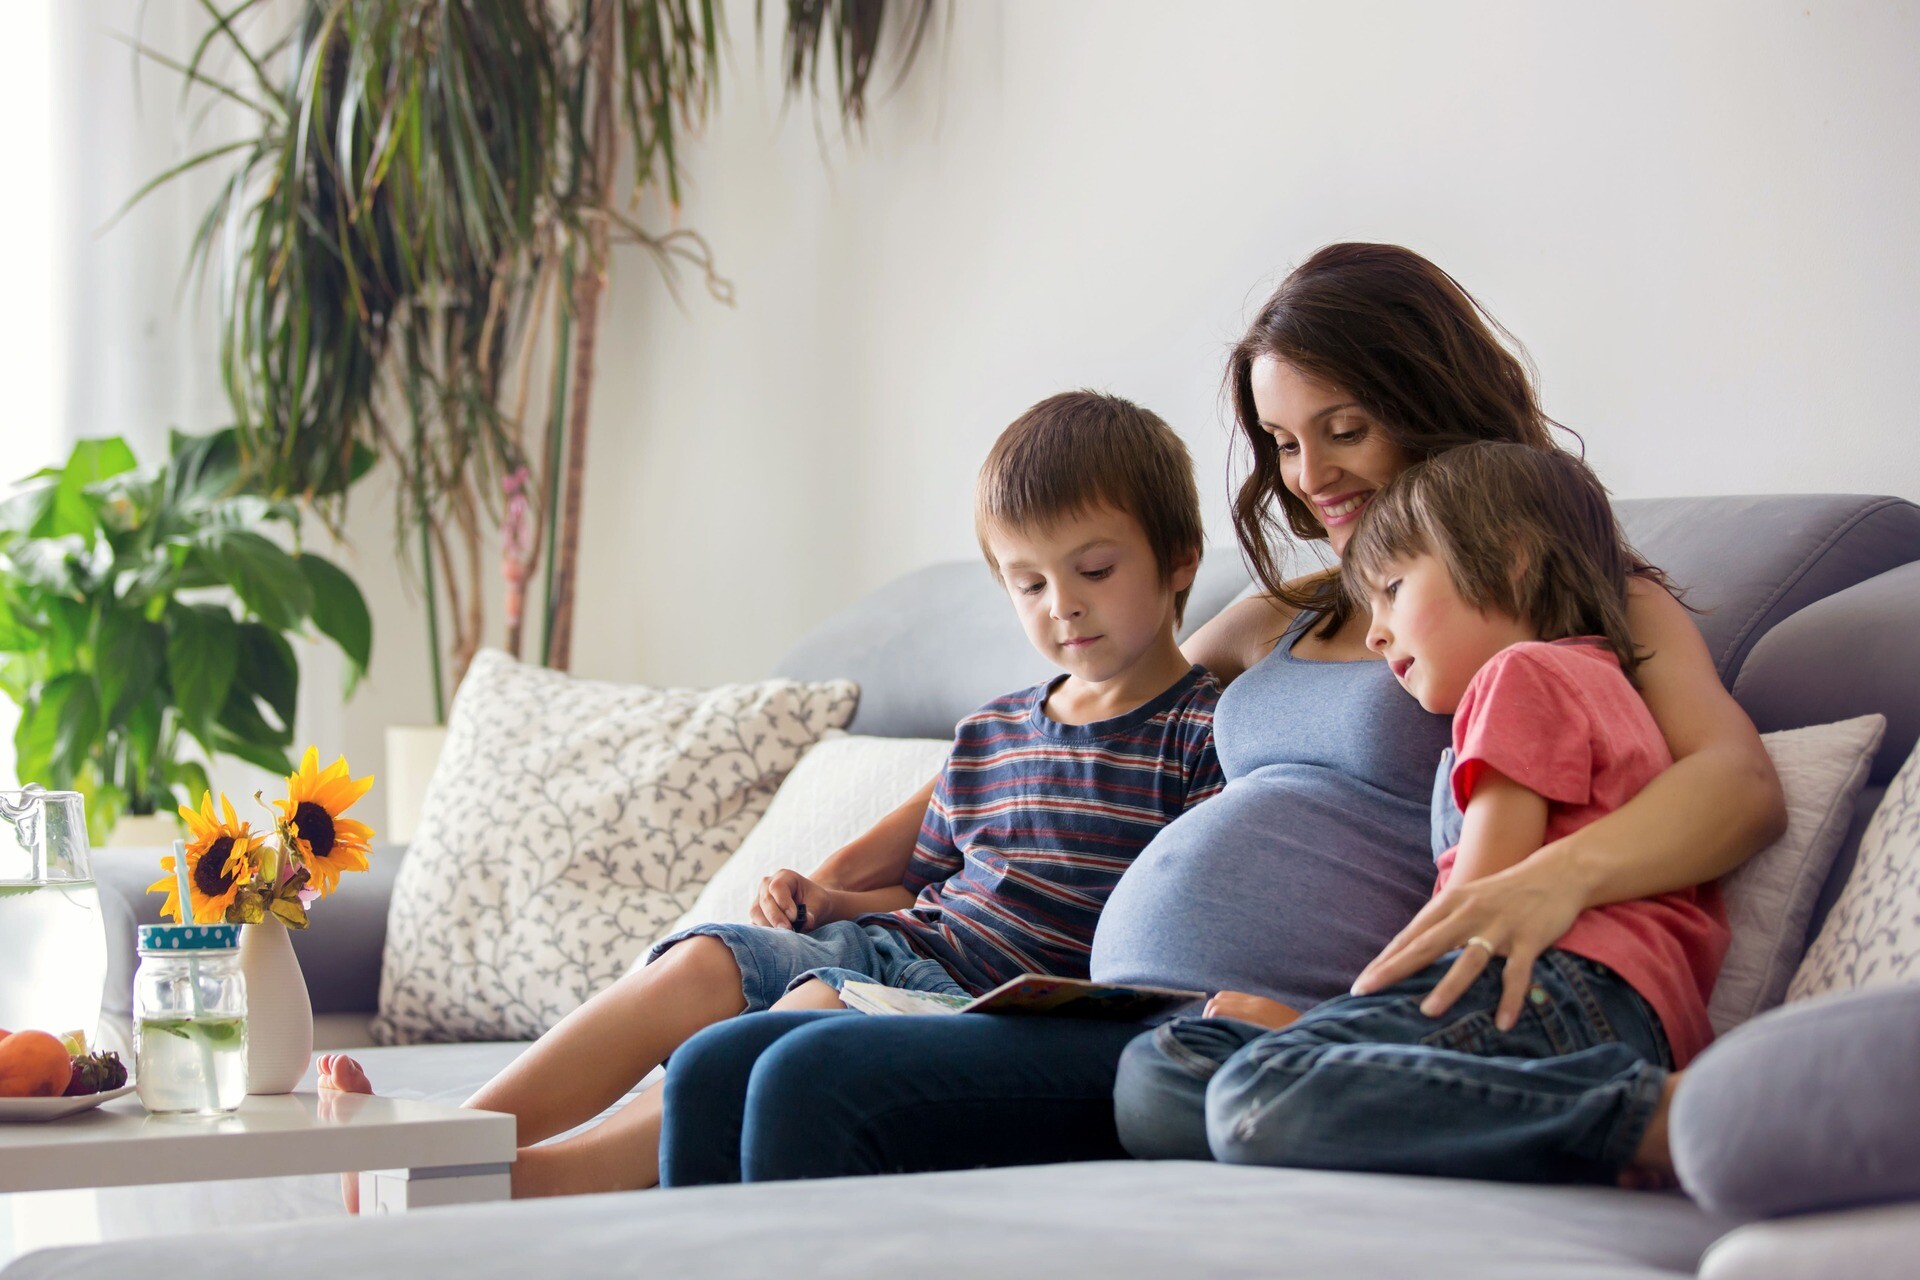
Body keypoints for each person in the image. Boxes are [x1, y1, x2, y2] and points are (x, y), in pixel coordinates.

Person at [654, 242, 1785, 1187]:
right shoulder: (1273, 615)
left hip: (1317, 1020)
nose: (1311, 478)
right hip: (1132, 1006)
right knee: (722, 1061)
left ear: (1429, 401)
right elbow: (1077, 732)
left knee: (806, 1077)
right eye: (1286, 443)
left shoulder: (1561, 598)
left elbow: (1733, 785)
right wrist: (843, 876)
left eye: (1342, 429)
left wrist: (1547, 880)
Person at [320, 389, 1226, 1201]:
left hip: (985, 1006)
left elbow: (1190, 924)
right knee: (699, 964)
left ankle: (523, 1186)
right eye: (1028, 583)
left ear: (1179, 559)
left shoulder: (1200, 733)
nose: (1061, 605)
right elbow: (925, 888)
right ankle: (450, 1139)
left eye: (1094, 572)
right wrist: (831, 900)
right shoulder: (991, 732)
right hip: (900, 947)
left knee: (801, 1017)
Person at [1112, 441, 1728, 1185]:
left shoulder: (1521, 674)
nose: (1375, 632)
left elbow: (1474, 908)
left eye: (1394, 589)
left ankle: (1653, 1121)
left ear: (1511, 561)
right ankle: (1527, 1132)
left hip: (1548, 990)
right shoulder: (1596, 682)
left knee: (1244, 1086)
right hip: (1574, 1009)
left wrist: (1327, 1031)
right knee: (1164, 1082)